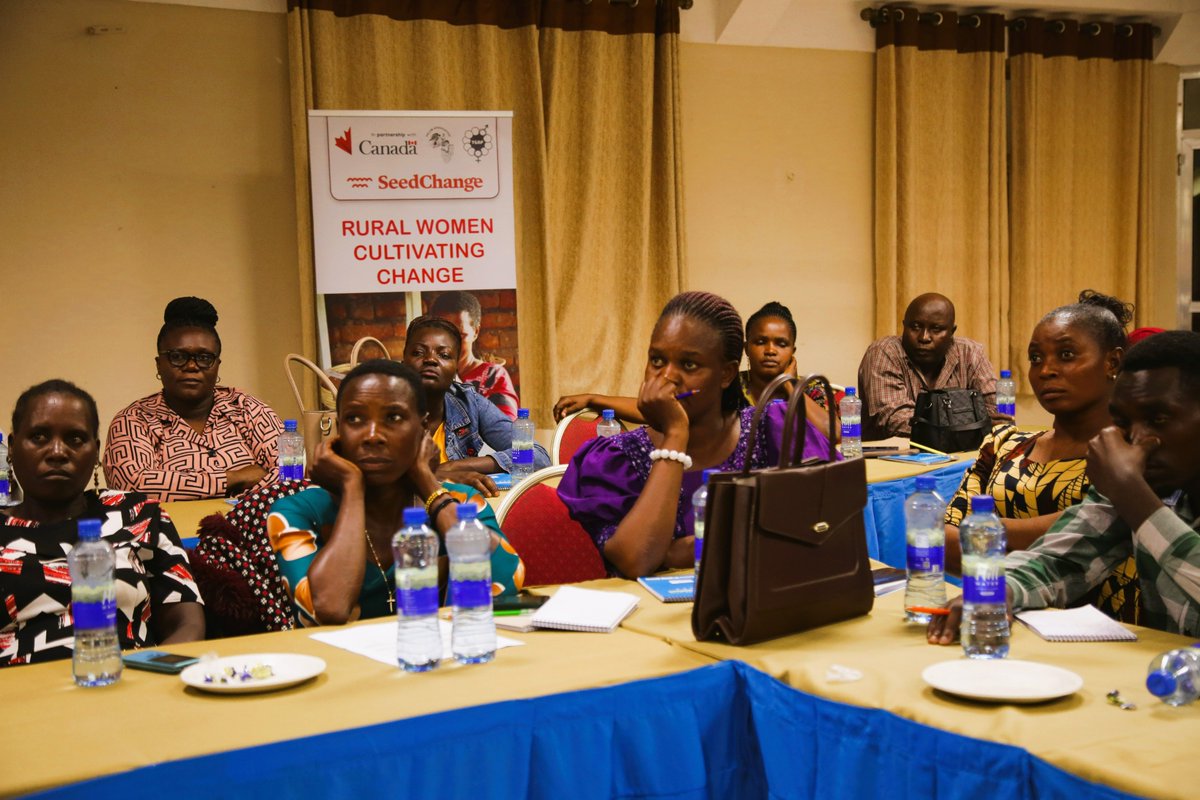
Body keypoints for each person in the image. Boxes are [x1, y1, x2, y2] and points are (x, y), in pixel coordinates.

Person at [929, 331, 1200, 643]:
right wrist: (999, 590)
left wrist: (1131, 492)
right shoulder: (1152, 483)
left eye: (1160, 418)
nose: (1137, 442)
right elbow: (1060, 559)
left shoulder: (1133, 487)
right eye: (1123, 423)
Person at [557, 291, 839, 578]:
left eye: (689, 364)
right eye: (656, 360)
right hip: (649, 619)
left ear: (727, 374)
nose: (666, 377)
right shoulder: (615, 459)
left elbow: (825, 523)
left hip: (770, 607)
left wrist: (675, 551)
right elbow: (636, 560)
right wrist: (676, 434)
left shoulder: (772, 428)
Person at [267, 360, 524, 627]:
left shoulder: (462, 502)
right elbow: (328, 610)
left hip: (435, 660)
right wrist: (352, 488)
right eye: (355, 419)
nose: (373, 436)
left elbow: (507, 581)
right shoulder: (295, 512)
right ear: (339, 429)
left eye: (393, 417)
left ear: (422, 429)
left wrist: (427, 483)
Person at [1, 380, 205, 666]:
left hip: (131, 685)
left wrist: (152, 681)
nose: (57, 451)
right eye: (39, 437)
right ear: (11, 447)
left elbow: (187, 624)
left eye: (75, 439)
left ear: (96, 452)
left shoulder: (139, 514)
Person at [943, 291, 1132, 576]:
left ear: (1113, 363)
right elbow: (945, 542)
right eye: (1035, 358)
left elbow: (1088, 533)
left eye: (1066, 355)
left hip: (1104, 618)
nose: (1046, 370)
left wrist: (982, 537)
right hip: (1000, 611)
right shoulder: (1003, 444)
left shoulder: (1132, 454)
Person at [553, 300, 834, 432]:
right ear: (747, 348)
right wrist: (593, 398)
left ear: (793, 351)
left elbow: (835, 433)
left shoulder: (810, 390)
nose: (770, 350)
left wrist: (787, 385)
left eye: (780, 344)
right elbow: (662, 406)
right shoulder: (727, 384)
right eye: (761, 341)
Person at [104, 297, 283, 502]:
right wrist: (233, 479)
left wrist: (239, 509)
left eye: (204, 358)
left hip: (249, 529)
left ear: (217, 365)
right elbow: (132, 485)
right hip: (168, 533)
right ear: (159, 364)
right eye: (178, 356)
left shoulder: (245, 407)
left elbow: (291, 471)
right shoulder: (133, 420)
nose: (191, 366)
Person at [402, 317, 550, 497]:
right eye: (418, 352)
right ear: (403, 360)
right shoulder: (382, 407)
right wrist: (433, 475)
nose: (430, 360)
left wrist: (454, 467)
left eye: (444, 355)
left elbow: (537, 457)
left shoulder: (468, 402)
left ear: (456, 367)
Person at [857, 292, 1001, 440]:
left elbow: (997, 412)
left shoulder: (970, 353)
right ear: (904, 326)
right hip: (891, 459)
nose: (924, 337)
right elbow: (896, 421)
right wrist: (971, 424)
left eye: (936, 329)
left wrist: (949, 427)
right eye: (915, 327)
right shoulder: (883, 352)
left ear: (952, 332)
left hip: (961, 455)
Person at [430, 291, 520, 419]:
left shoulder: (494, 376)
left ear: (476, 332)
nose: (450, 343)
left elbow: (504, 429)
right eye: (442, 334)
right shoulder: (424, 374)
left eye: (460, 335)